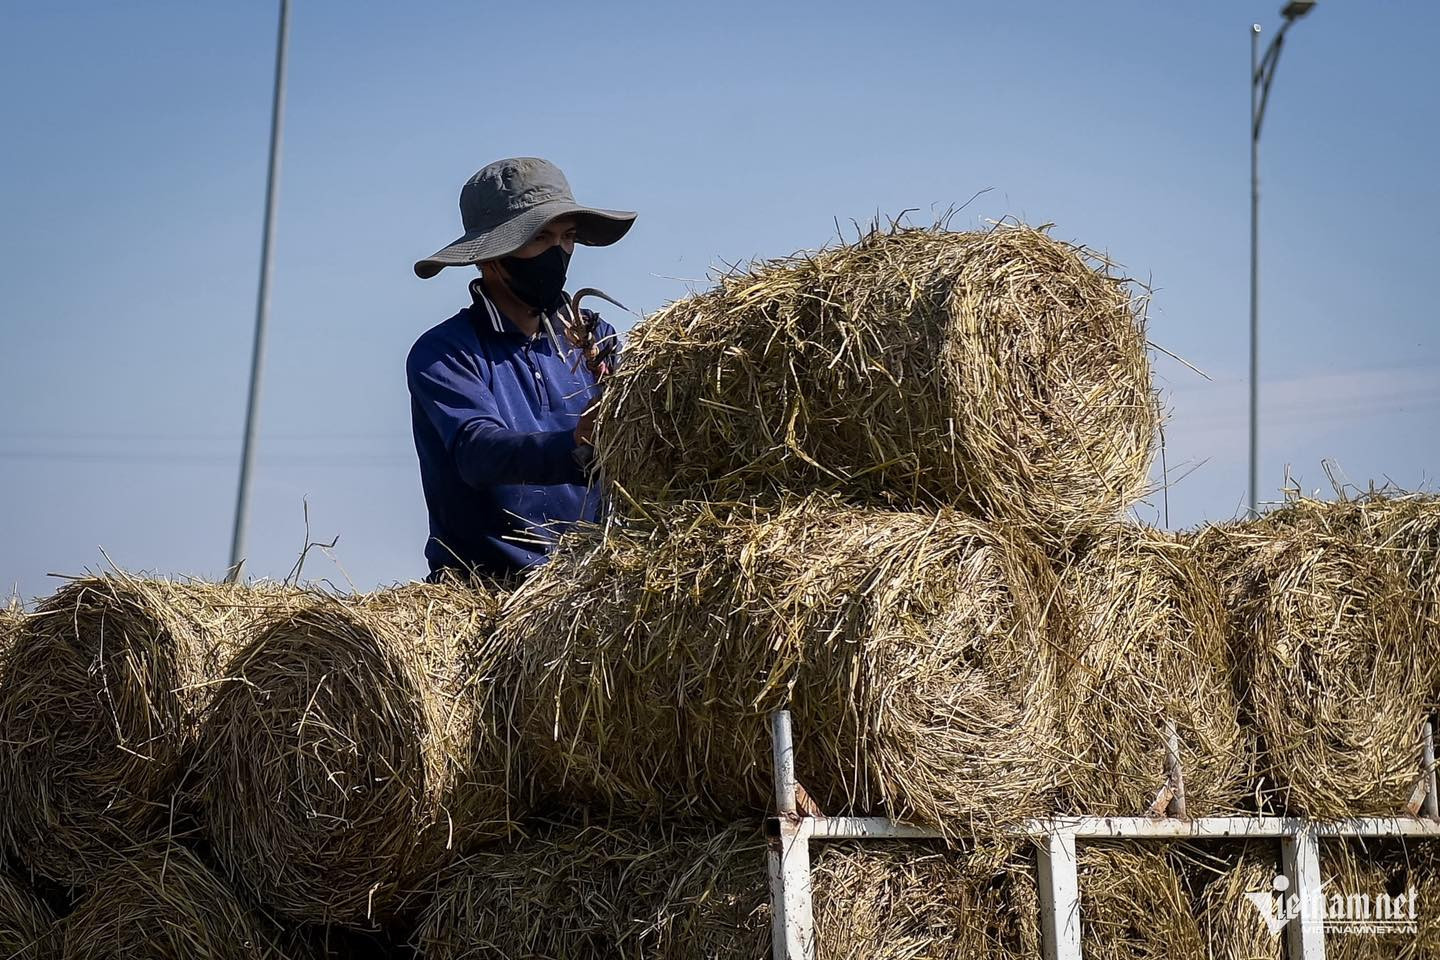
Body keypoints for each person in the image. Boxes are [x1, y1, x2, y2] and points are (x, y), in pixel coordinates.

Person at [406, 157, 635, 583]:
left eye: (567, 238)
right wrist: (576, 444)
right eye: (539, 238)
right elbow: (478, 453)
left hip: (593, 584)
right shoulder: (445, 352)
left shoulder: (595, 337)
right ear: (492, 255)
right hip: (490, 588)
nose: (558, 252)